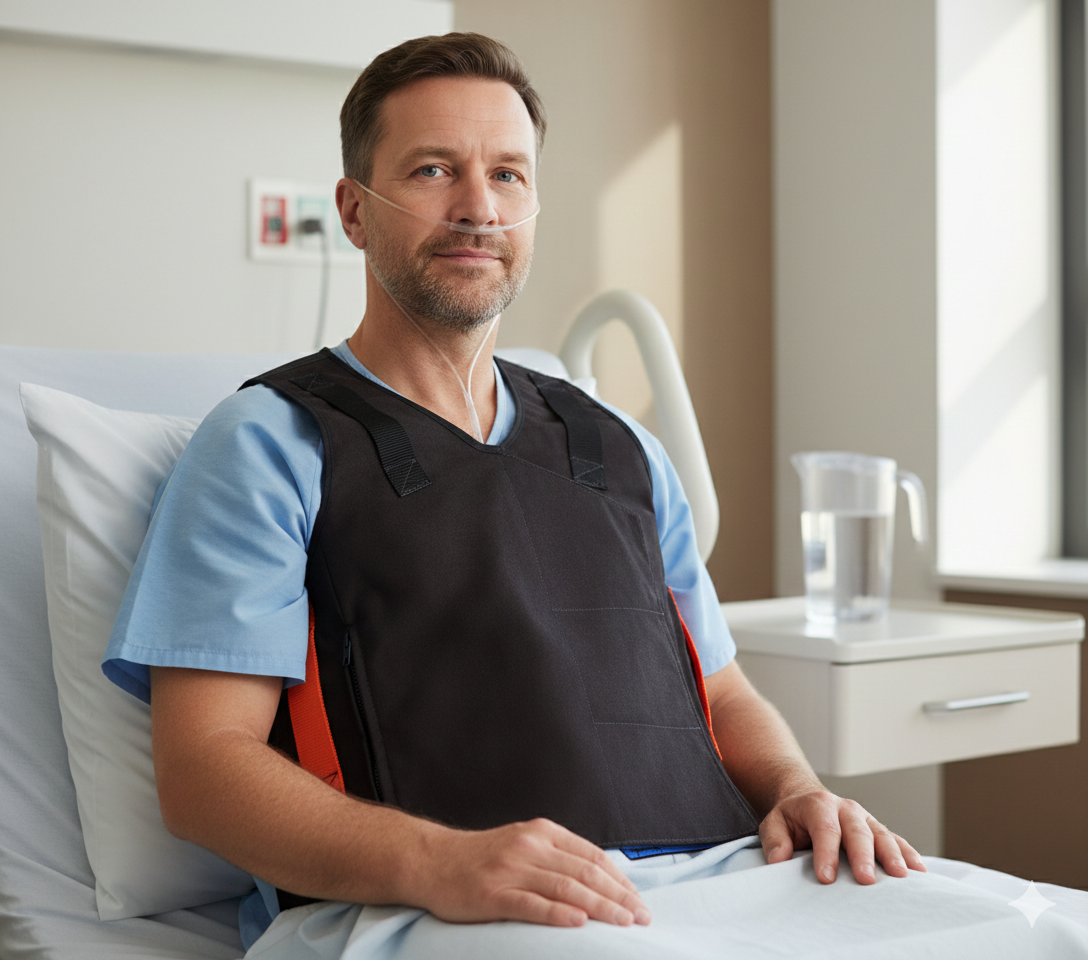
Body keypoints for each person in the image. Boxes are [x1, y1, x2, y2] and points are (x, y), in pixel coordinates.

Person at [104, 32, 926, 953]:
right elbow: (204, 770)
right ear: (354, 210)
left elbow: (721, 690)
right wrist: (440, 863)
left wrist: (799, 789)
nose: (477, 208)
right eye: (432, 170)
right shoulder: (269, 446)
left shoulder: (621, 448)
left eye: (507, 175)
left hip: (720, 882)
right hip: (430, 912)